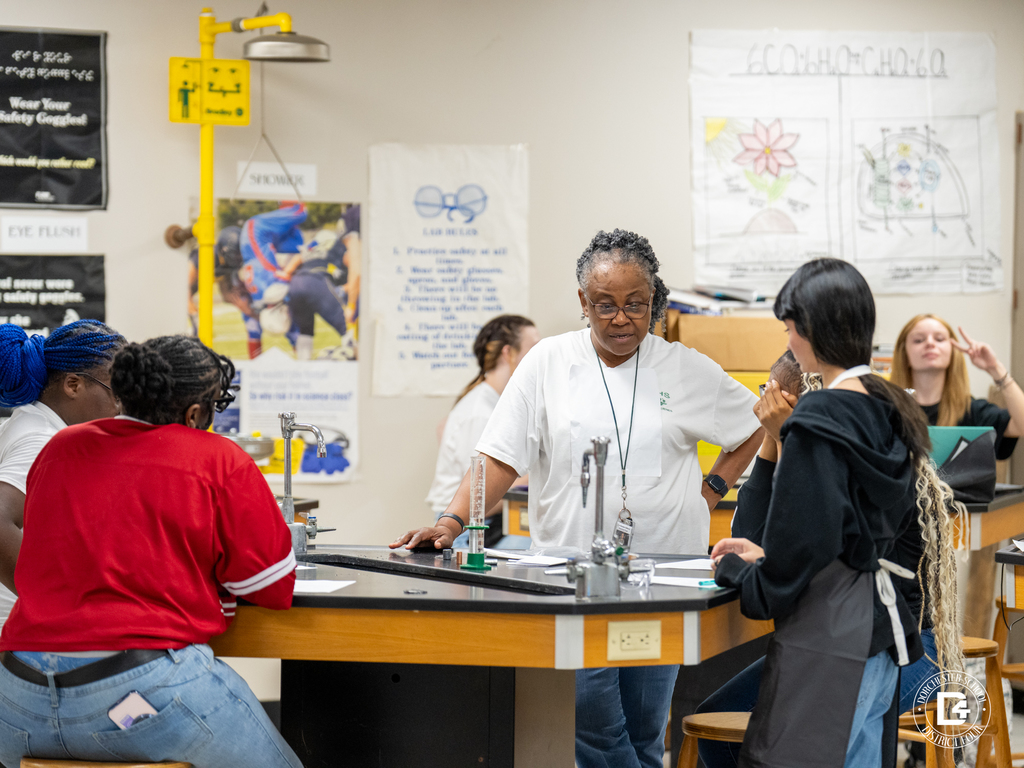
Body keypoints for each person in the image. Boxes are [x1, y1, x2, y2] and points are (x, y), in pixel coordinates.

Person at [392, 228, 763, 768]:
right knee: (595, 731)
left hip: (661, 579)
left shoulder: (683, 367)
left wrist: (711, 490)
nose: (620, 318)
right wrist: (451, 522)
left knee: (642, 732)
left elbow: (755, 424)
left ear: (654, 301)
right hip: (573, 580)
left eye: (636, 305)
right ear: (583, 304)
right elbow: (498, 457)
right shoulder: (547, 362)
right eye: (605, 305)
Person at [0, 335, 301, 768]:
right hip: (135, 697)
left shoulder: (61, 447)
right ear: (196, 411)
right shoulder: (218, 457)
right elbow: (271, 588)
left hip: (17, 697)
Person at [711, 258, 962, 768]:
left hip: (831, 640)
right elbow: (852, 529)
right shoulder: (892, 403)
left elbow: (796, 559)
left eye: (788, 327)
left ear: (807, 330)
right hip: (883, 632)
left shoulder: (818, 418)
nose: (789, 339)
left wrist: (738, 571)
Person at [0, 320, 126, 632]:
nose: (121, 407)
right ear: (73, 385)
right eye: (117, 393)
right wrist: (54, 604)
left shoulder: (38, 424)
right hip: (20, 632)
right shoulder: (40, 440)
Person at [426, 314, 540, 548]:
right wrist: (533, 480)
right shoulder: (480, 412)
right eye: (534, 349)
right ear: (508, 353)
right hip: (466, 530)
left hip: (488, 522)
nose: (541, 358)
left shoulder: (495, 403)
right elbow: (479, 494)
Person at [891, 314, 1022, 460]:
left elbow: (1020, 426)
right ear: (904, 354)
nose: (930, 343)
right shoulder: (887, 410)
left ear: (953, 352)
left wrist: (996, 369)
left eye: (939, 339)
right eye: (918, 340)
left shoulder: (971, 411)